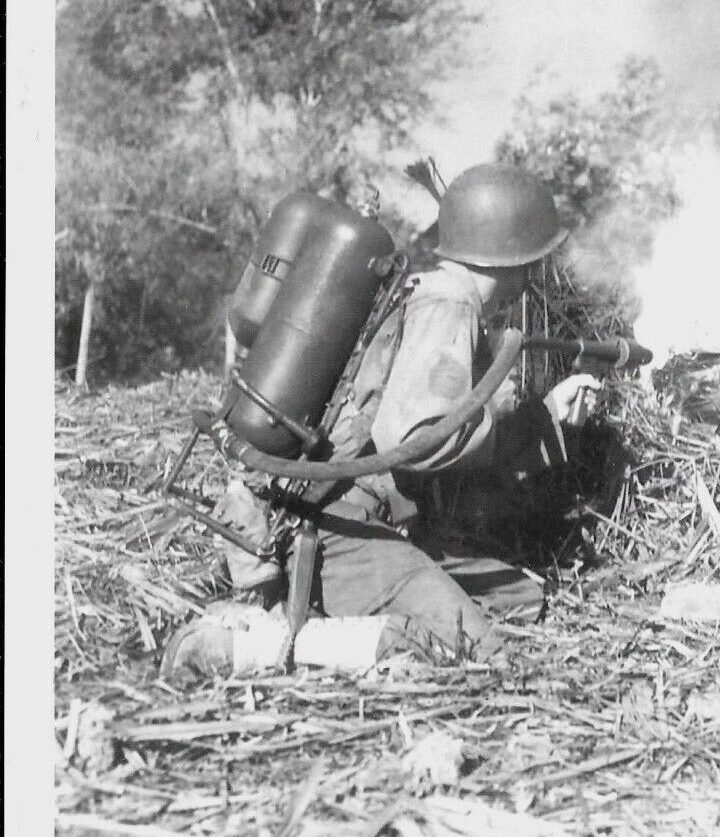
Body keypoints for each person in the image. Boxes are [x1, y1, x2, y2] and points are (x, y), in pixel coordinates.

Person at [161, 164, 601, 681]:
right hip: (336, 528)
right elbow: (416, 439)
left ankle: (325, 607)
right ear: (514, 257)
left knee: (521, 598)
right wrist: (528, 421)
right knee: (474, 648)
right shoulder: (449, 306)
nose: (533, 274)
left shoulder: (422, 288)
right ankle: (249, 646)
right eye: (533, 260)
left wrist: (539, 419)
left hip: (343, 511)